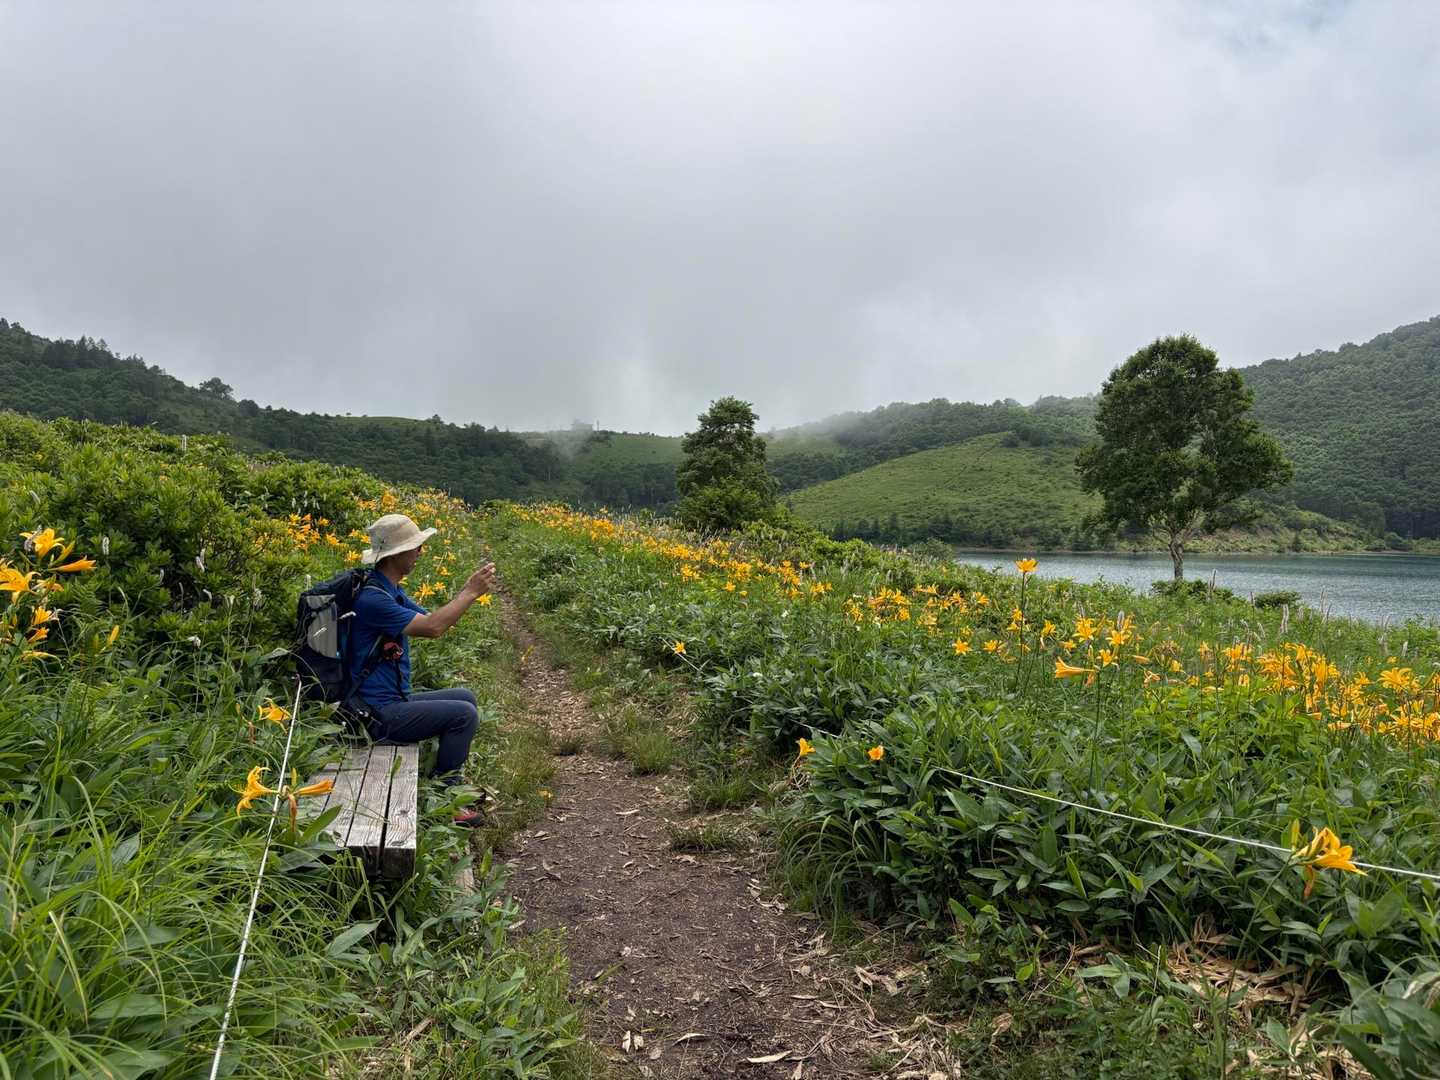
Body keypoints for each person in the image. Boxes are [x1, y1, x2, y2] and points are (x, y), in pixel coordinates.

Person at [348, 512, 497, 826]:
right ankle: (447, 800)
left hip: (390, 702)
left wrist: (465, 595)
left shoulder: (388, 590)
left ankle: (447, 780)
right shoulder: (374, 600)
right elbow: (433, 627)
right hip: (373, 715)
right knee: (463, 715)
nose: (421, 551)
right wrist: (469, 592)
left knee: (465, 697)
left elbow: (434, 619)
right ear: (396, 554)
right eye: (415, 546)